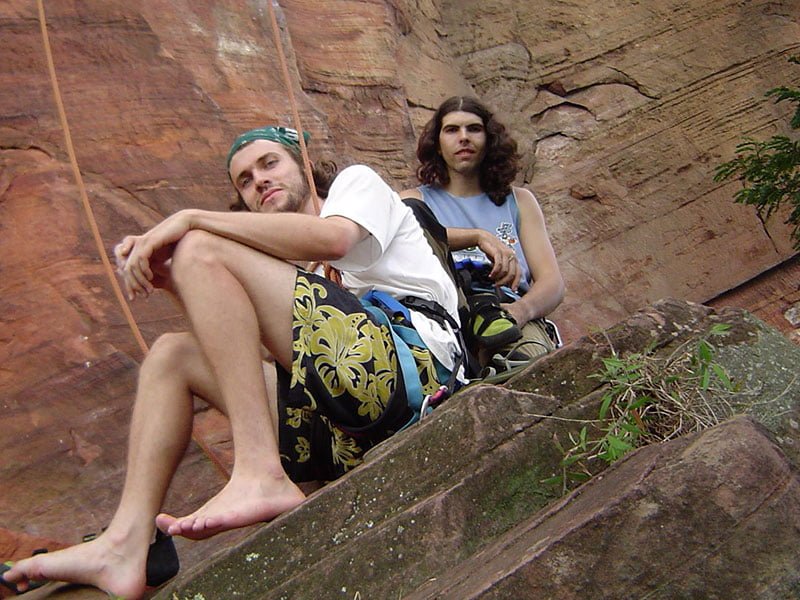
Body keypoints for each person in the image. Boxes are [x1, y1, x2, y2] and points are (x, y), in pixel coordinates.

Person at [2, 126, 463, 598]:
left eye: (270, 163)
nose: (258, 180)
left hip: (416, 375)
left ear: (303, 164)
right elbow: (248, 365)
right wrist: (175, 280)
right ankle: (124, 544)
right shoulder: (276, 269)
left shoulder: (356, 185)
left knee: (197, 246)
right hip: (342, 430)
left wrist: (190, 220)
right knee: (171, 355)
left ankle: (260, 472)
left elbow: (335, 239)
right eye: (244, 180)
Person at [401, 95, 565, 368]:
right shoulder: (414, 201)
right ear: (437, 145)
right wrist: (477, 236)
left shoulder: (519, 201)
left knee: (526, 361)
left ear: (489, 140)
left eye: (474, 129)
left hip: (506, 314)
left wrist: (520, 311)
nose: (463, 137)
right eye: (452, 130)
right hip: (444, 317)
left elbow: (553, 283)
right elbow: (401, 238)